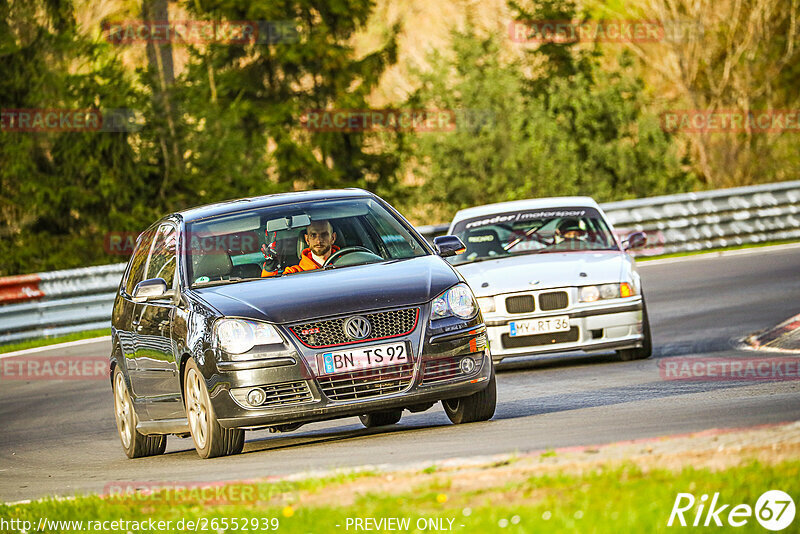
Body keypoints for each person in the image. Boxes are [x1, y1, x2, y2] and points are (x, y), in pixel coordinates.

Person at [261, 220, 339, 277]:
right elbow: (270, 289)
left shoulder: (348, 262)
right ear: (307, 239)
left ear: (333, 238)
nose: (318, 240)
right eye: (313, 235)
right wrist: (269, 268)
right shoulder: (293, 272)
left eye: (324, 234)